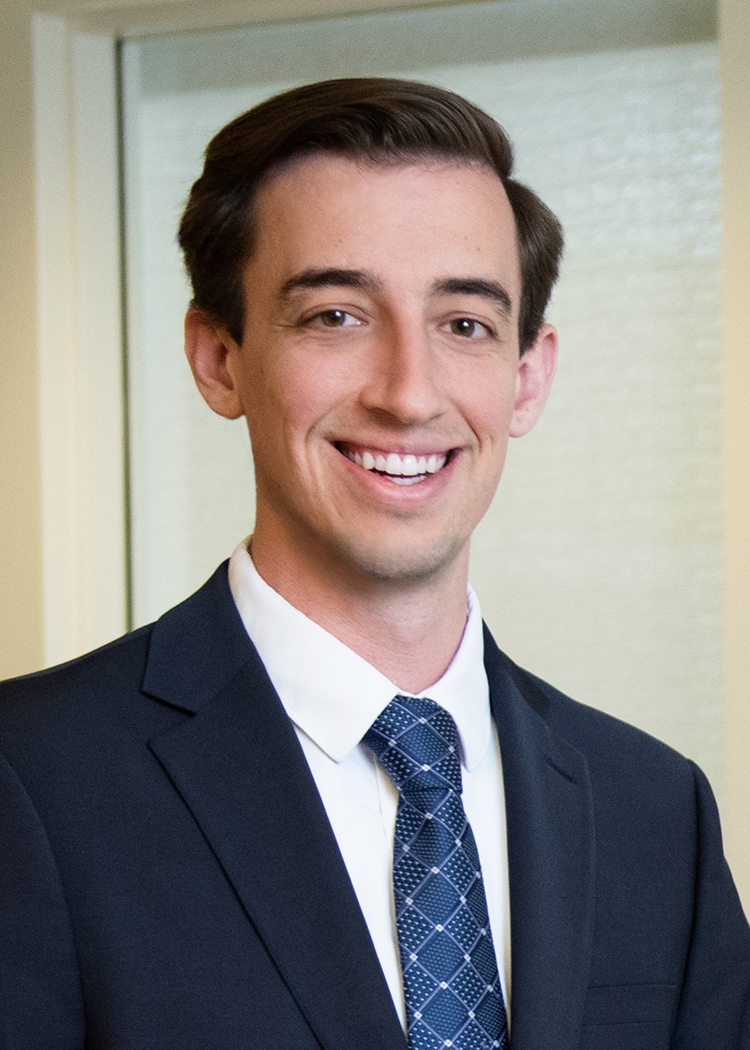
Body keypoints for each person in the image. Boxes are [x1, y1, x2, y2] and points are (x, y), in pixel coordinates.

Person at [1, 78, 748, 1050]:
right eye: (336, 317)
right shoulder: (31, 782)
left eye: (465, 324)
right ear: (218, 356)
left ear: (528, 375)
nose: (408, 393)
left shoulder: (656, 811)